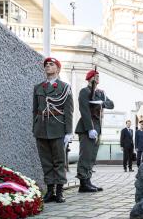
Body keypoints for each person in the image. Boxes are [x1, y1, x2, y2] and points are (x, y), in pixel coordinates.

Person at [32, 57, 73, 203]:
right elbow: (35, 110)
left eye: (51, 64)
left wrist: (69, 132)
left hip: (57, 128)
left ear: (58, 69)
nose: (48, 67)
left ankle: (60, 191)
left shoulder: (64, 87)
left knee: (59, 161)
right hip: (41, 128)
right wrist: (34, 127)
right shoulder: (38, 87)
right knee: (46, 161)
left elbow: (68, 111)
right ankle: (50, 191)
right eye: (46, 65)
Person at [75, 70, 114, 193]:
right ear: (90, 78)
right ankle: (83, 182)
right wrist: (90, 128)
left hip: (97, 127)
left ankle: (88, 180)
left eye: (98, 76)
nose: (97, 78)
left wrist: (102, 102)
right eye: (95, 76)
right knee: (85, 155)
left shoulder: (100, 93)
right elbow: (84, 110)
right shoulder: (84, 91)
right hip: (87, 128)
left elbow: (111, 104)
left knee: (92, 156)